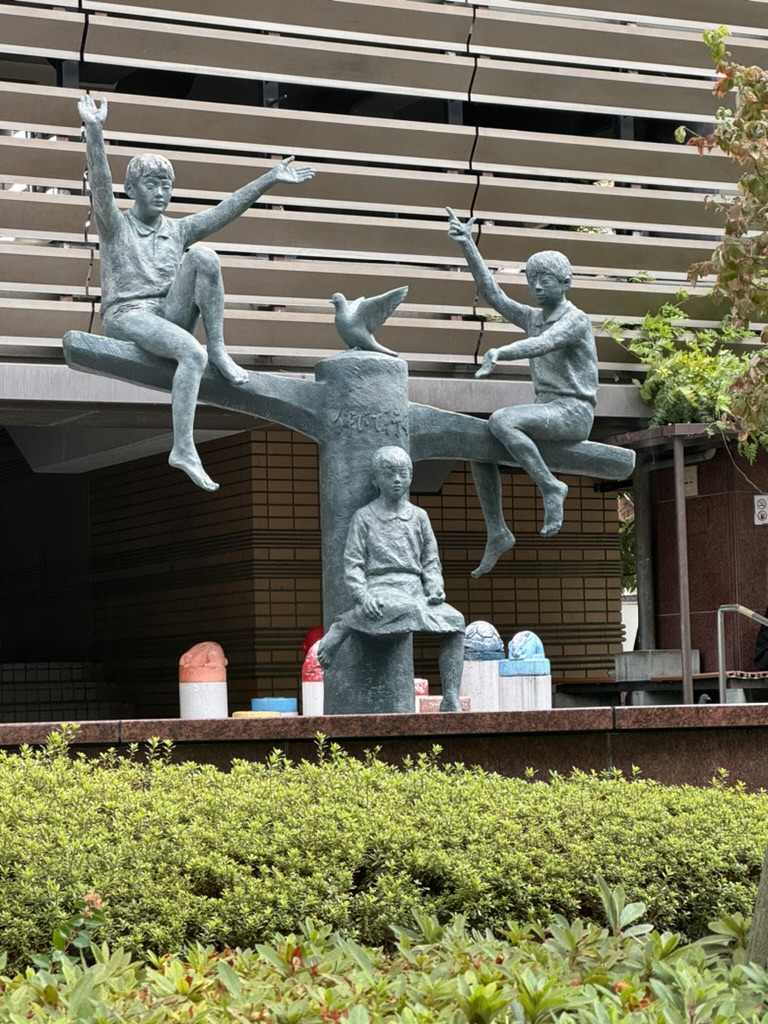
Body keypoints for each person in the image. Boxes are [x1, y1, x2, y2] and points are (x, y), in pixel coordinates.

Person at [78, 94, 315, 492]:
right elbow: (100, 183)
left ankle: (219, 348)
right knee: (191, 351)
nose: (161, 193)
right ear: (132, 188)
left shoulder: (177, 230)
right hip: (129, 316)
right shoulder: (115, 226)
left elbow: (224, 211)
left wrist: (269, 179)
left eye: (167, 186)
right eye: (152, 185)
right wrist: (95, 130)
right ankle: (183, 447)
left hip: (168, 313)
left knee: (205, 256)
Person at [446, 208, 599, 576]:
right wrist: (468, 245)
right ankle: (497, 530)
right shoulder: (533, 316)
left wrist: (501, 352)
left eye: (544, 279)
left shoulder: (574, 320)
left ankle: (551, 487)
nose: (537, 286)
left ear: (565, 282)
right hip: (546, 411)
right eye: (532, 280)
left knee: (501, 419)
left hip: (573, 412)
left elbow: (543, 345)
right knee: (477, 443)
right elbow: (493, 296)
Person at [316, 446, 465, 712]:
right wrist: (363, 596)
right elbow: (353, 564)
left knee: (455, 621)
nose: (397, 479)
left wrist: (435, 588)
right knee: (399, 607)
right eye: (389, 474)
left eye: (403, 473)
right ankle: (345, 625)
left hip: (415, 589)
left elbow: (430, 561)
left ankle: (450, 696)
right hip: (381, 586)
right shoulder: (364, 517)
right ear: (376, 479)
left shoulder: (419, 517)